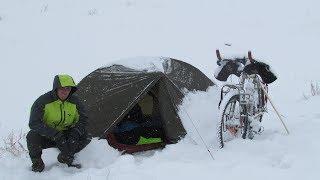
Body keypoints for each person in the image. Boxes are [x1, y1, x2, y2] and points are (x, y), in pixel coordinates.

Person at [26, 74, 91, 172]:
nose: (65, 91)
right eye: (62, 88)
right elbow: (34, 123)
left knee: (87, 136)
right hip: (49, 135)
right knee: (32, 136)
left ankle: (66, 156)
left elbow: (83, 119)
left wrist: (75, 132)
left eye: (68, 88)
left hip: (67, 134)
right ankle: (37, 162)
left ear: (71, 90)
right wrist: (54, 134)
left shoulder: (76, 101)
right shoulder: (42, 101)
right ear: (56, 88)